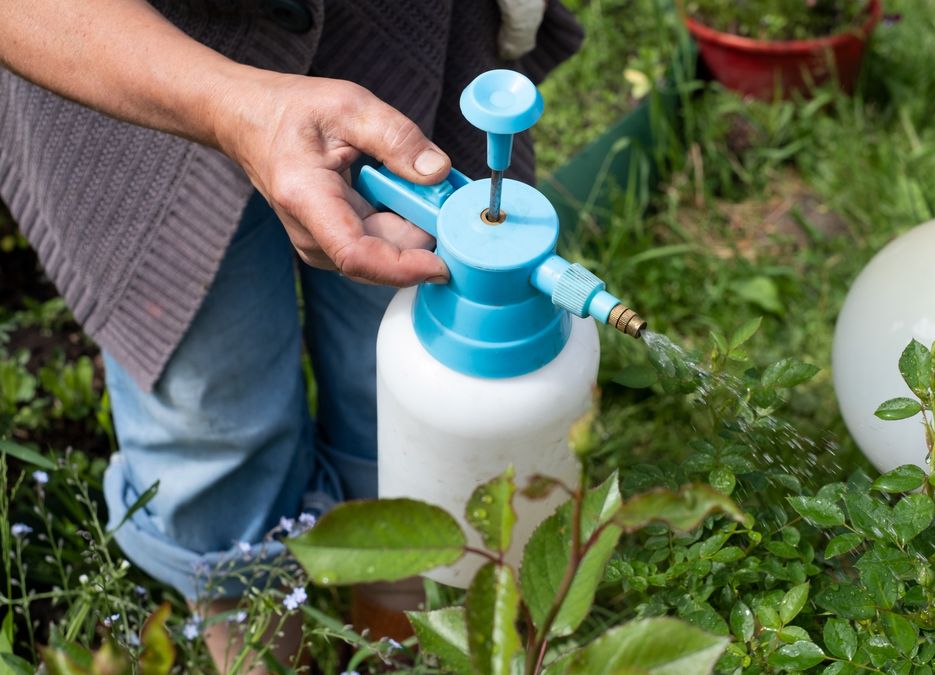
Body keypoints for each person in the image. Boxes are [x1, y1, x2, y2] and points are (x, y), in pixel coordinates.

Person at [0, 0, 581, 670]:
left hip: (394, 28)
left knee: (405, 377)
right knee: (213, 412)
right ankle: (257, 640)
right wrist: (229, 103)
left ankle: (403, 625)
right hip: (115, 62)